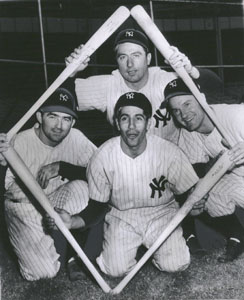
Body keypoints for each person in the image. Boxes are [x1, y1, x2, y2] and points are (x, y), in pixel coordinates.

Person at [52, 92, 205, 277]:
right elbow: (96, 207)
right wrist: (73, 221)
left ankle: (158, 248)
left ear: (148, 123)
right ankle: (131, 247)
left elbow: (188, 197)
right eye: (125, 119)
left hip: (163, 213)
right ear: (117, 123)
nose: (132, 126)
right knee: (114, 269)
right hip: (121, 216)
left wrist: (196, 204)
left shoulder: (169, 152)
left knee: (175, 263)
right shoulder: (102, 156)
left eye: (138, 118)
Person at [0, 87, 97, 281]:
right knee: (42, 273)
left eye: (66, 119)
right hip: (24, 208)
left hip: (56, 199)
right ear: (39, 117)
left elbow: (102, 173)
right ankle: (43, 244)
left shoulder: (76, 138)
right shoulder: (19, 141)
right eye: (52, 116)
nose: (59, 126)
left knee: (87, 188)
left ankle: (74, 255)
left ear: (73, 122)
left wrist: (62, 167)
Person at [65, 28, 200, 144]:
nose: (129, 64)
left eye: (136, 55)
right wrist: (70, 73)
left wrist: (190, 71)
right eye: (123, 57)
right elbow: (63, 97)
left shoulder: (164, 80)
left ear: (148, 59)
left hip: (171, 155)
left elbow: (205, 93)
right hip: (129, 159)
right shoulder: (108, 85)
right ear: (117, 61)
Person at [164, 77, 244, 262]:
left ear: (201, 98)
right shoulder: (188, 134)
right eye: (176, 110)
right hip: (239, 181)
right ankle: (237, 234)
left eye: (187, 104)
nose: (183, 114)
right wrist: (196, 196)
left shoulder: (235, 116)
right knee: (202, 190)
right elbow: (196, 175)